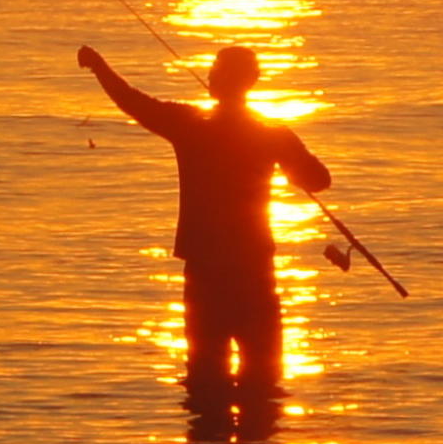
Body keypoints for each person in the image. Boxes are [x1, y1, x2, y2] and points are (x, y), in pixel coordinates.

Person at [78, 41, 330, 399]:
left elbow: (133, 101)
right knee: (262, 381)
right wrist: (291, 166)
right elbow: (320, 180)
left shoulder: (190, 124)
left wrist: (99, 66)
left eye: (215, 70)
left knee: (205, 381)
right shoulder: (273, 133)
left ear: (218, 81)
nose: (210, 74)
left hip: (206, 270)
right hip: (254, 269)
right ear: (253, 81)